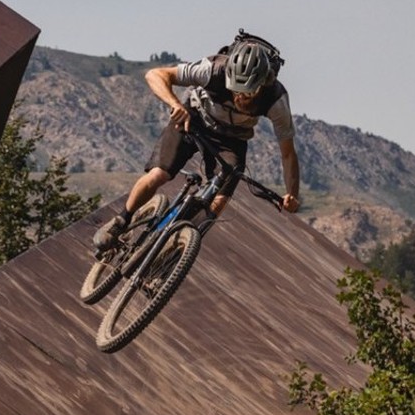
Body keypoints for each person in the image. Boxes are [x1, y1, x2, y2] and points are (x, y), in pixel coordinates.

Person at [94, 32, 301, 252]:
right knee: (159, 174)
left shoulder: (276, 100)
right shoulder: (213, 69)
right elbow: (155, 75)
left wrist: (292, 194)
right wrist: (176, 105)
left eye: (248, 93)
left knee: (218, 202)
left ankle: (173, 254)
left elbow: (287, 153)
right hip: (193, 118)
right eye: (235, 90)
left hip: (233, 138)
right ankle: (120, 221)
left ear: (262, 85)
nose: (240, 97)